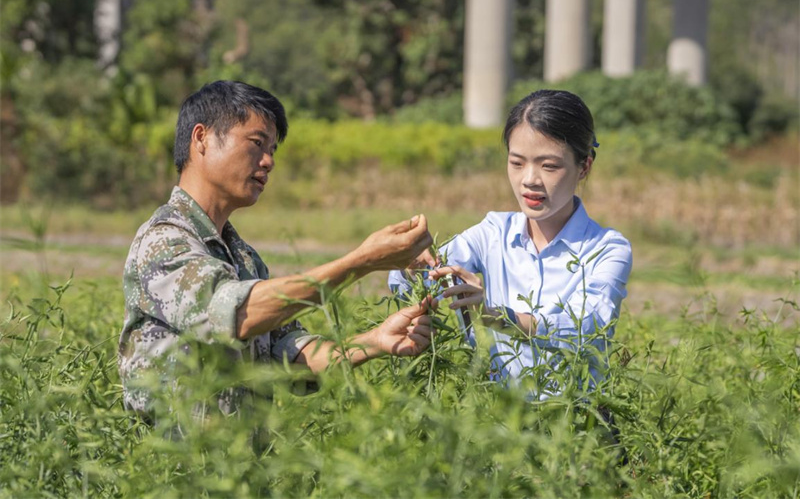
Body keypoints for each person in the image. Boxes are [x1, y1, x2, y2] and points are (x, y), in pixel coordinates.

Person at [120, 80, 435, 419]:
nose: (268, 161)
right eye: (257, 143)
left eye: (272, 149)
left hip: (236, 453)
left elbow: (291, 356)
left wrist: (375, 341)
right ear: (202, 139)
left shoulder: (244, 258)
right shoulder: (165, 239)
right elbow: (236, 313)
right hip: (179, 453)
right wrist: (363, 262)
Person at [389, 89, 632, 389]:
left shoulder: (607, 248)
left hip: (573, 415)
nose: (529, 180)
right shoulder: (493, 232)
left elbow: (586, 329)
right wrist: (411, 266)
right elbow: (416, 281)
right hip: (496, 414)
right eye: (517, 163)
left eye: (549, 166)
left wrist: (495, 316)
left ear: (584, 167)